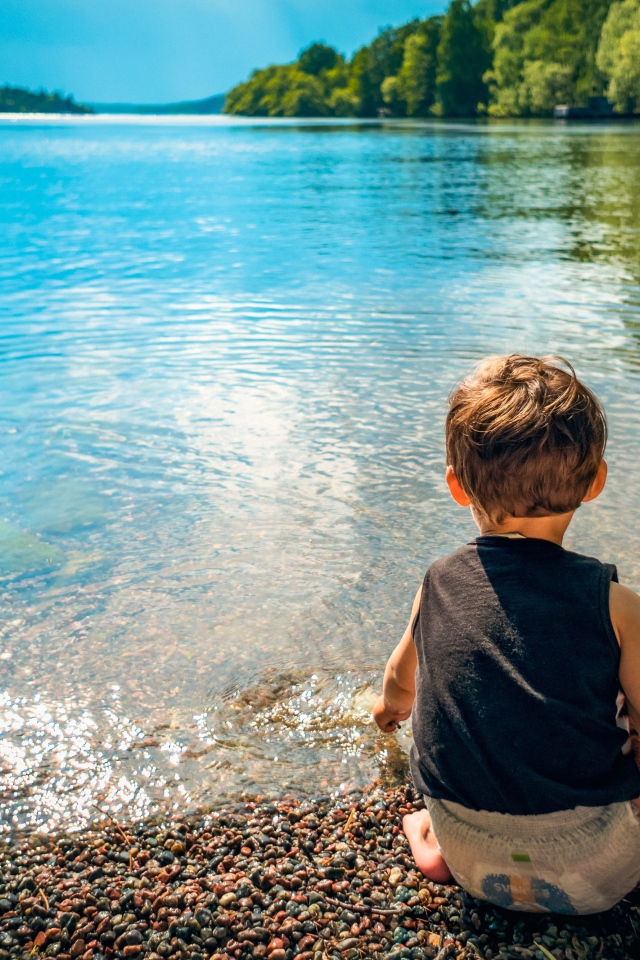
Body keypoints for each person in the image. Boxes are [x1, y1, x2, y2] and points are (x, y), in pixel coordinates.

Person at [373, 355, 640, 915]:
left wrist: (387, 714)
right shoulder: (617, 605)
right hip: (601, 873)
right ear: (596, 483)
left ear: (456, 487)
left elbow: (400, 683)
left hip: (471, 858)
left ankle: (429, 840)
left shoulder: (437, 584)